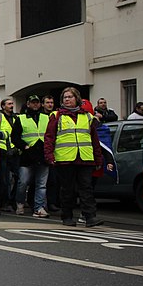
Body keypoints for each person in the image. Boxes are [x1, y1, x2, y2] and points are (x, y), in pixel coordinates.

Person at [44, 86, 104, 227]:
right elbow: (49, 138)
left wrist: (98, 157)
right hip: (65, 159)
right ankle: (67, 216)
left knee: (86, 188)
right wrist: (49, 156)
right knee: (67, 189)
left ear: (77, 99)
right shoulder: (56, 116)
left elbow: (94, 139)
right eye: (65, 97)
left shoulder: (88, 117)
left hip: (85, 158)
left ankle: (90, 217)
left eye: (70, 97)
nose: (67, 99)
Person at [12, 95, 50, 218]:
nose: (35, 105)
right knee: (23, 182)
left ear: (40, 104)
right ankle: (20, 203)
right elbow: (15, 137)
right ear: (28, 104)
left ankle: (39, 207)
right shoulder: (21, 118)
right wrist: (25, 147)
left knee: (41, 184)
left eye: (37, 103)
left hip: (42, 155)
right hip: (27, 156)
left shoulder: (46, 118)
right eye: (32, 103)